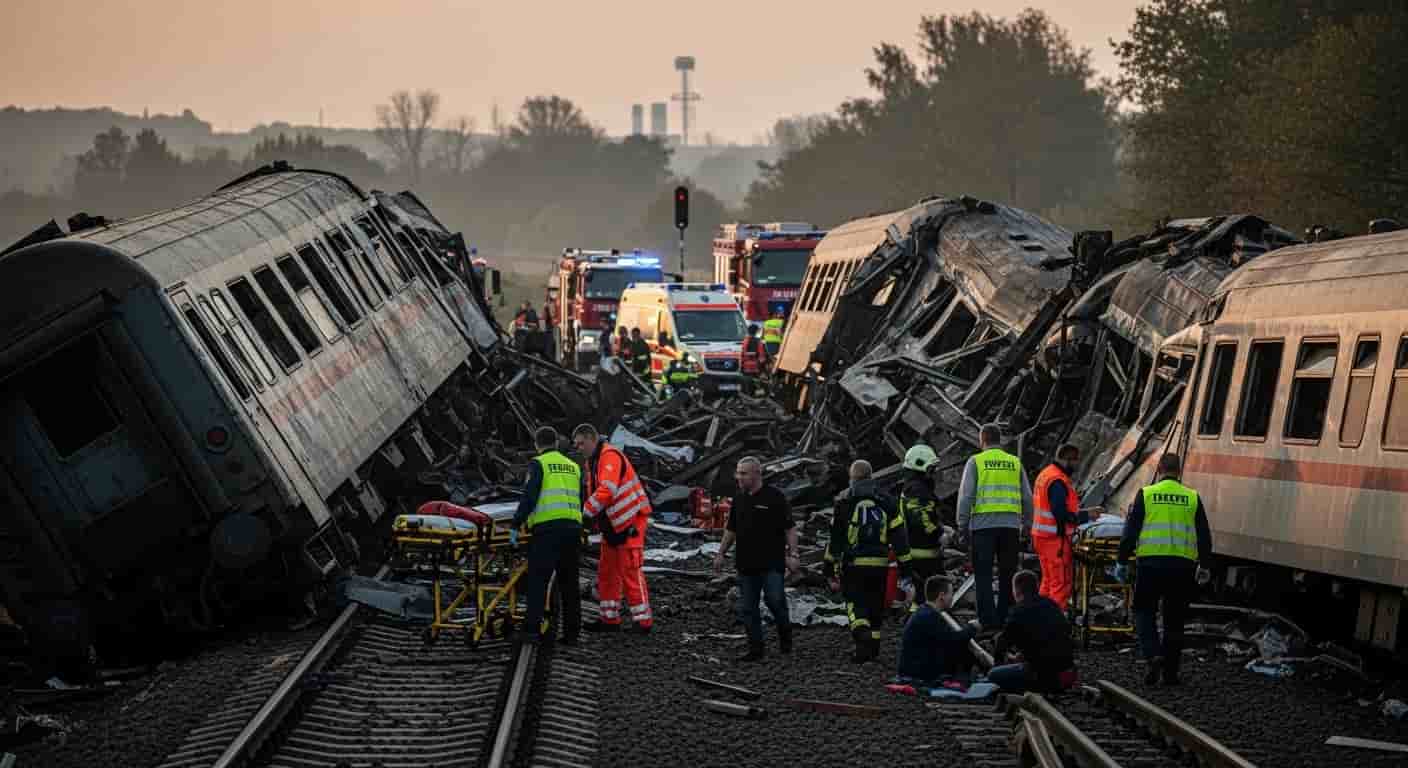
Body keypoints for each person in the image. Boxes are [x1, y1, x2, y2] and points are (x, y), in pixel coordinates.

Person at [1117, 453, 1213, 686]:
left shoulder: (1147, 494)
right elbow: (1203, 534)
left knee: (1143, 611)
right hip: (1182, 567)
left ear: (1159, 469)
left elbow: (1131, 531)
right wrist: (1205, 565)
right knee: (1174, 619)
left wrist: (1121, 560)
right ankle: (1170, 673)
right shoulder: (1192, 497)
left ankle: (1153, 655)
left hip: (1150, 565)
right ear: (1179, 471)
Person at [823, 460, 911, 663]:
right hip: (880, 565)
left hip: (854, 565)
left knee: (855, 605)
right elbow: (899, 538)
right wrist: (906, 567)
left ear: (852, 478)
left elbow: (836, 540)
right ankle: (872, 651)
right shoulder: (886, 501)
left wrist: (828, 567)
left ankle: (862, 638)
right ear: (871, 477)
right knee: (875, 607)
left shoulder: (845, 502)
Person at [714, 456, 798, 661]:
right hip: (745, 563)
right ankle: (755, 650)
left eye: (743, 473)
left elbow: (790, 528)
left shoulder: (775, 497)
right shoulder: (739, 499)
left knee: (775, 601)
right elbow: (731, 529)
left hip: (772, 562)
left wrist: (793, 554)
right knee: (748, 608)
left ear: (757, 474)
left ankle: (786, 639)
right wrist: (721, 553)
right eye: (738, 472)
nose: (738, 477)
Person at [574, 423, 654, 633]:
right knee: (607, 571)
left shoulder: (609, 456)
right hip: (614, 524)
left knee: (630, 569)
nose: (578, 448)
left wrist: (584, 514)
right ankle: (609, 619)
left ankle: (643, 621)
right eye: (576, 444)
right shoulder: (595, 460)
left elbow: (607, 490)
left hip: (630, 521)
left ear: (592, 439)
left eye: (581, 443)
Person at [510, 427, 583, 645]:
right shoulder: (574, 467)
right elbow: (582, 497)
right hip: (572, 529)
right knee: (569, 583)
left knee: (538, 580)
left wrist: (516, 524)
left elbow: (530, 495)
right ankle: (572, 634)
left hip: (547, 530)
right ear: (557, 443)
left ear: (536, 444)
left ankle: (531, 631)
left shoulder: (538, 464)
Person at [956, 423, 1033, 631]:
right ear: (1000, 440)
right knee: (1008, 572)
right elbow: (1027, 496)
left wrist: (962, 526)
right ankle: (1005, 617)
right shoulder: (1014, 462)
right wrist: (1027, 524)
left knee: (983, 574)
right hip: (1010, 527)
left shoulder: (976, 461)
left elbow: (966, 497)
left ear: (982, 440)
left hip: (983, 526)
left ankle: (987, 620)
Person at [988, 570, 1078, 694]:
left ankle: (1026, 687)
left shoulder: (1018, 612)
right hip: (1068, 673)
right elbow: (1060, 636)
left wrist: (997, 665)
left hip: (1043, 677)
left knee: (993, 675)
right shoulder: (1052, 605)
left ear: (1016, 590)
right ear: (1037, 587)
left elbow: (1001, 644)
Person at [1032, 443, 1084, 612]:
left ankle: (1038, 618)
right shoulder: (1058, 481)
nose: (1077, 465)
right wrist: (1084, 517)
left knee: (1048, 582)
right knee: (1061, 584)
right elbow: (1060, 513)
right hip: (1055, 540)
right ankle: (1052, 625)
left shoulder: (1046, 474)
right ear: (1068, 459)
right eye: (1076, 461)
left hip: (1041, 537)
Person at [898, 575, 977, 684]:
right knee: (963, 652)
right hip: (916, 671)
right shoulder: (930, 616)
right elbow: (954, 641)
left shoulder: (925, 611)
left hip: (913, 667)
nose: (952, 597)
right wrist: (973, 627)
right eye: (951, 593)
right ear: (942, 596)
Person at [899, 444, 944, 614]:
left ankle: (919, 623)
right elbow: (922, 520)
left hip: (920, 552)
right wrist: (940, 533)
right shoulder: (917, 489)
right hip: (923, 554)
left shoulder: (915, 487)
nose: (934, 472)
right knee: (932, 595)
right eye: (931, 468)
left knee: (923, 597)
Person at [740, 324, 768, 394]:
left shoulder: (745, 341)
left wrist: (742, 365)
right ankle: (755, 394)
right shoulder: (758, 341)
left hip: (746, 366)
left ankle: (748, 394)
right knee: (756, 382)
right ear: (756, 332)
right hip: (755, 366)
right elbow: (761, 354)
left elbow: (742, 354)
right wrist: (763, 366)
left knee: (748, 383)